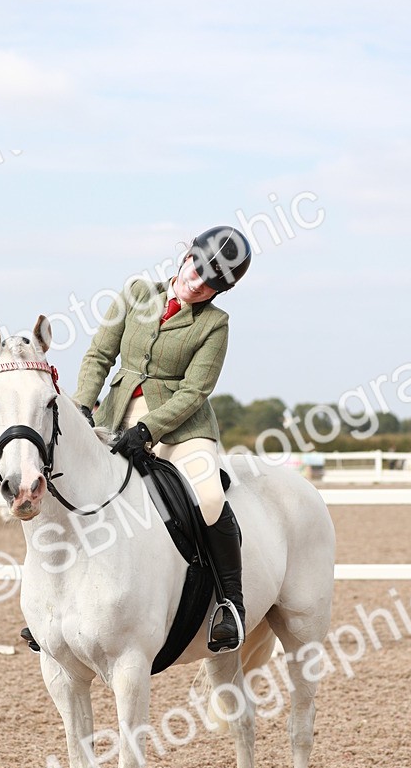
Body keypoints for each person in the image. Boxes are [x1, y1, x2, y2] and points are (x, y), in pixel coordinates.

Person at [22, 226, 252, 654]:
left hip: (181, 429)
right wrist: (83, 408)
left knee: (208, 497)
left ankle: (229, 605)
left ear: (223, 289)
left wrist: (148, 430)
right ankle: (48, 608)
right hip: (112, 415)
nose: (198, 283)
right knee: (61, 484)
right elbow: (99, 356)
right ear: (186, 257)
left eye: (212, 283)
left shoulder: (215, 324)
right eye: (197, 268)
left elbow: (194, 391)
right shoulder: (136, 293)